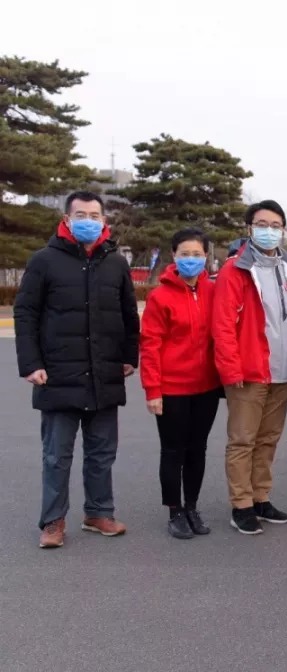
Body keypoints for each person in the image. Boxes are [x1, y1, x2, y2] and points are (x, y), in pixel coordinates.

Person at [14, 191, 140, 549]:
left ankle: (98, 512)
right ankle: (53, 521)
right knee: (57, 455)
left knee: (102, 451)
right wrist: (32, 363)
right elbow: (26, 314)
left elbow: (129, 314)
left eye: (95, 215)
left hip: (104, 373)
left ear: (104, 221)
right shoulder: (44, 260)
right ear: (67, 220)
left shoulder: (115, 262)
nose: (89, 220)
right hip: (57, 374)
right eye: (81, 214)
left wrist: (130, 354)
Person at [212, 200, 287, 536]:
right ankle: (241, 505)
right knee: (242, 441)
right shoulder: (235, 270)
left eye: (276, 224)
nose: (270, 231)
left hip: (281, 371)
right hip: (249, 371)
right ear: (249, 228)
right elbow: (222, 324)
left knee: (268, 439)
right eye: (262, 224)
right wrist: (230, 369)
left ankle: (261, 496)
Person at [139, 228, 222, 539]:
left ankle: (192, 507)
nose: (191, 259)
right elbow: (150, 346)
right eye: (185, 253)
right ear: (174, 256)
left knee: (197, 450)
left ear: (206, 257)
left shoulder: (214, 292)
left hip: (207, 388)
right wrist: (153, 390)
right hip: (172, 388)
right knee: (173, 451)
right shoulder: (160, 297)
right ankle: (174, 511)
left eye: (197, 254)